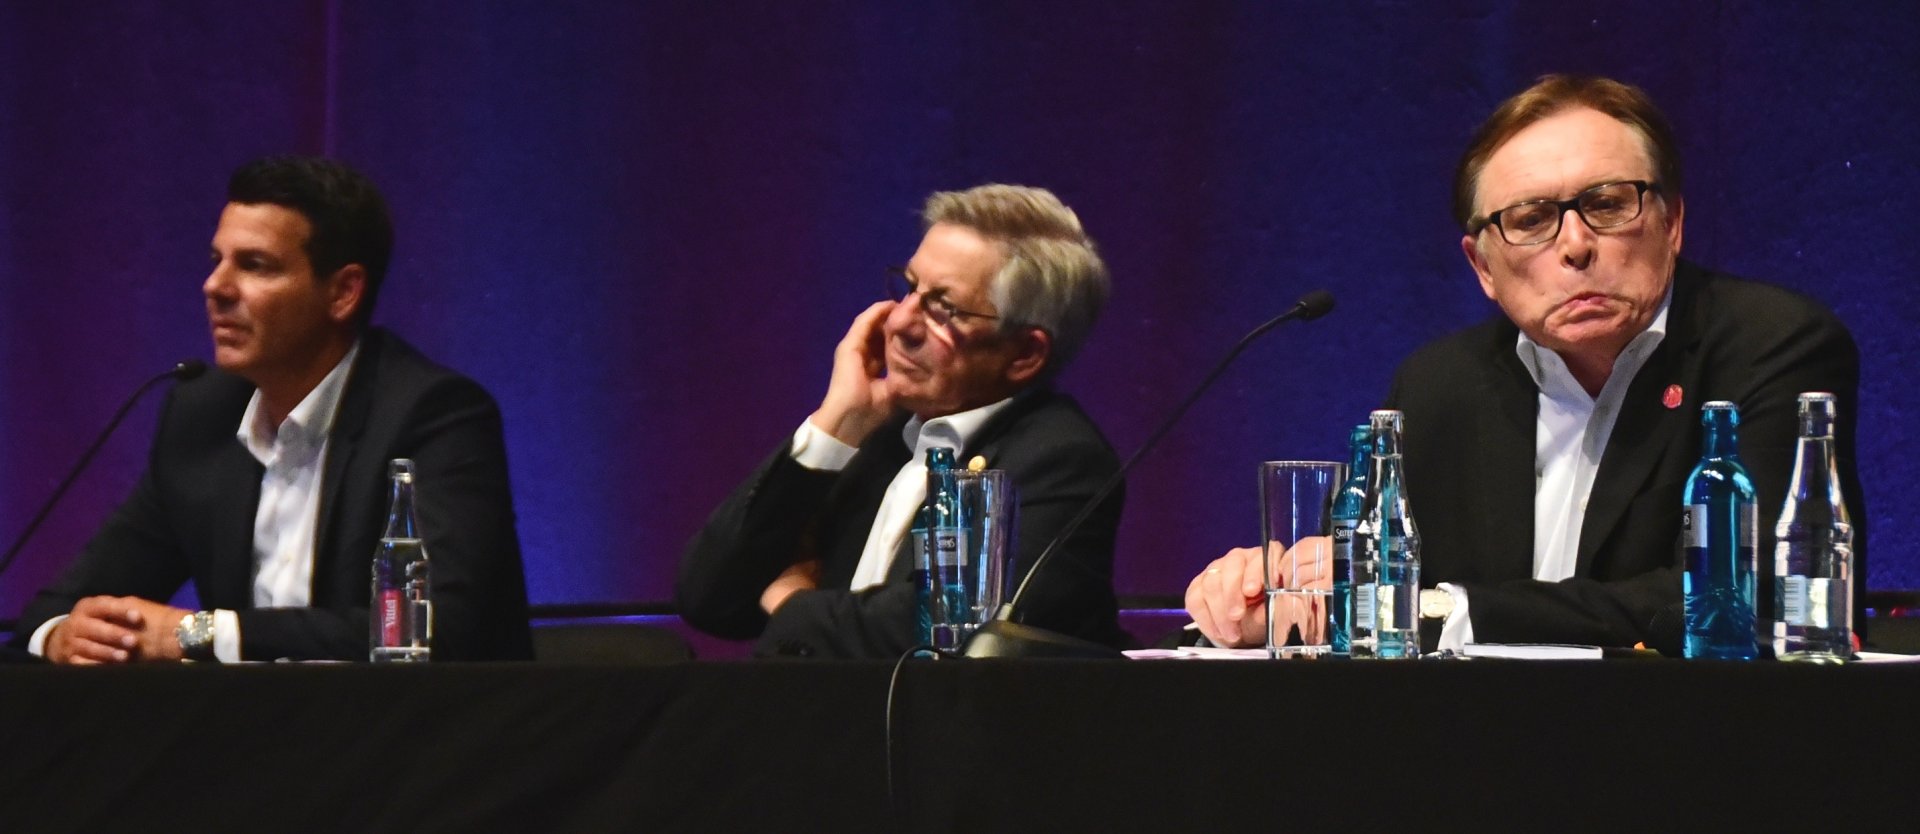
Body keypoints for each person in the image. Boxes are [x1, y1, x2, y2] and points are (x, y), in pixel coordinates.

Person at [1187, 75, 1865, 653]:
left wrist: (1447, 613)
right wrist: (1280, 601)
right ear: (1482, 265)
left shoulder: (1773, 347)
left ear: (1673, 222)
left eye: (1607, 204)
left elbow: (1759, 596)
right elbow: (1373, 583)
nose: (1574, 245)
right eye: (1532, 218)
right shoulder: (1437, 388)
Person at [10, 156, 533, 663]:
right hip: (251, 744)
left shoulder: (432, 417)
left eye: (255, 266)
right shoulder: (202, 418)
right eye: (217, 260)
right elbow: (56, 610)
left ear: (344, 293)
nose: (215, 287)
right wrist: (63, 637)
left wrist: (202, 633)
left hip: (412, 742)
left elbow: (433, 633)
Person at [678, 184, 1129, 658]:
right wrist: (836, 426)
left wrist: (791, 602)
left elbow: (944, 631)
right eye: (911, 288)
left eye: (944, 308)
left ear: (1024, 354)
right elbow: (710, 597)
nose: (899, 324)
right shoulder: (877, 435)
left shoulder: (1052, 458)